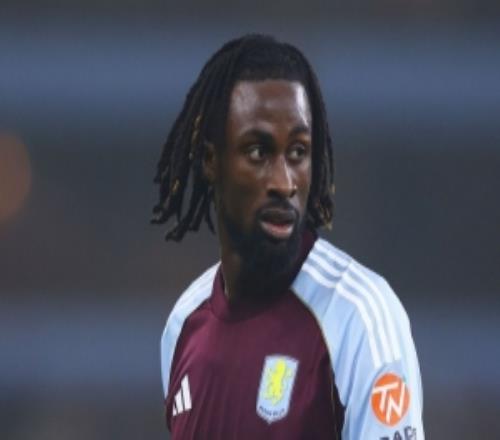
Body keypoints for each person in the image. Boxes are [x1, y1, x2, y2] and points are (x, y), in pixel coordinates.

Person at [152, 34, 424, 440]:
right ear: (211, 160)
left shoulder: (359, 317)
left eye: (297, 152)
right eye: (258, 152)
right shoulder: (183, 326)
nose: (284, 182)